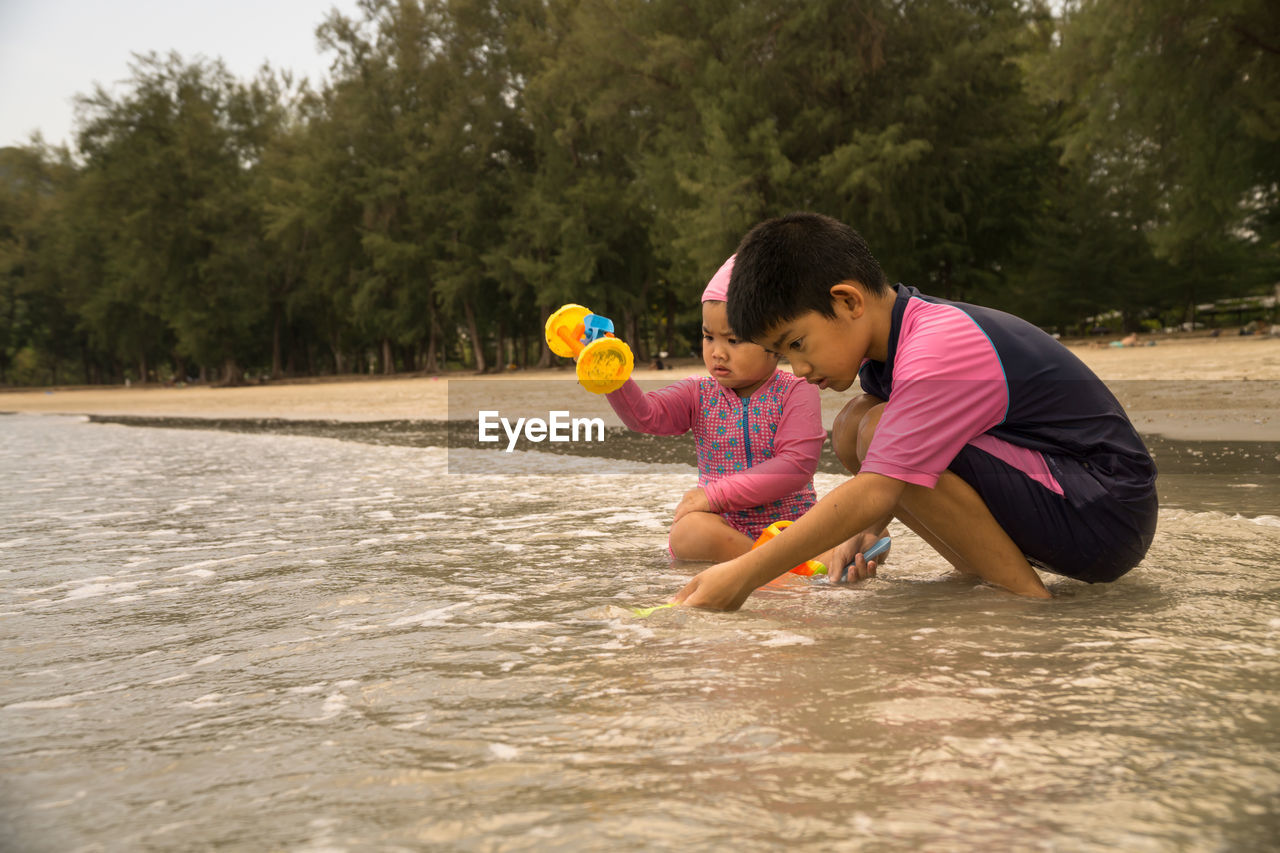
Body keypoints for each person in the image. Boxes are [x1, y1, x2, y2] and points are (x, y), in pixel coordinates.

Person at [674, 212, 1158, 610]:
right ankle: (980, 573)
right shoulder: (895, 343)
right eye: (783, 354)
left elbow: (880, 486)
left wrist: (743, 575)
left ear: (847, 301)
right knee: (852, 426)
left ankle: (1026, 602)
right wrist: (865, 533)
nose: (797, 369)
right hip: (1073, 500)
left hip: (1105, 512)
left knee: (875, 430)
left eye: (797, 344)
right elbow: (892, 472)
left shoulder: (936, 347)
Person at [603, 256, 827, 563]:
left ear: (776, 343)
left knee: (870, 526)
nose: (717, 352)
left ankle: (775, 563)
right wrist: (610, 374)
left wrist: (713, 495)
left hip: (793, 527)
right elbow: (646, 416)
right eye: (709, 337)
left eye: (733, 340)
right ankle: (778, 566)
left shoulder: (796, 390)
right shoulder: (699, 392)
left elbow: (796, 466)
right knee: (688, 533)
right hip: (728, 532)